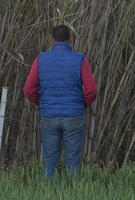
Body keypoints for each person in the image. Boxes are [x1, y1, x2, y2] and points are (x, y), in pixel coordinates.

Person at [23, 24, 98, 179]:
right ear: (70, 40)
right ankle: (73, 195)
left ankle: (47, 196)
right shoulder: (80, 60)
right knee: (73, 160)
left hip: (49, 115)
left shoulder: (40, 59)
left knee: (49, 160)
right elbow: (91, 90)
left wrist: (42, 103)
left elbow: (29, 89)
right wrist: (81, 104)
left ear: (52, 40)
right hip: (74, 115)